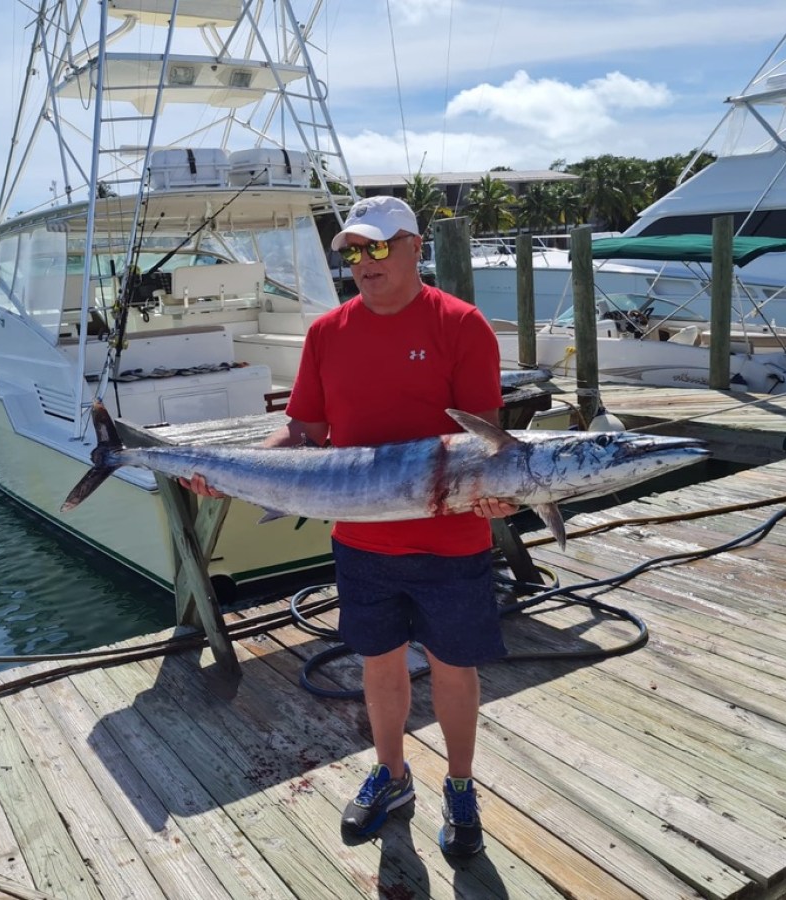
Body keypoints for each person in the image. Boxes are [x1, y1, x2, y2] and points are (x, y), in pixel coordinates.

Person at [182, 195, 517, 857]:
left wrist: (502, 497)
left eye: (379, 246)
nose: (364, 261)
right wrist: (228, 470)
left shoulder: (463, 326)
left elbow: (489, 445)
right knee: (379, 666)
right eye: (353, 251)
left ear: (415, 246)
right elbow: (307, 430)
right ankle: (390, 775)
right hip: (362, 541)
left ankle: (459, 784)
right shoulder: (326, 333)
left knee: (454, 669)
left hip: (452, 543)